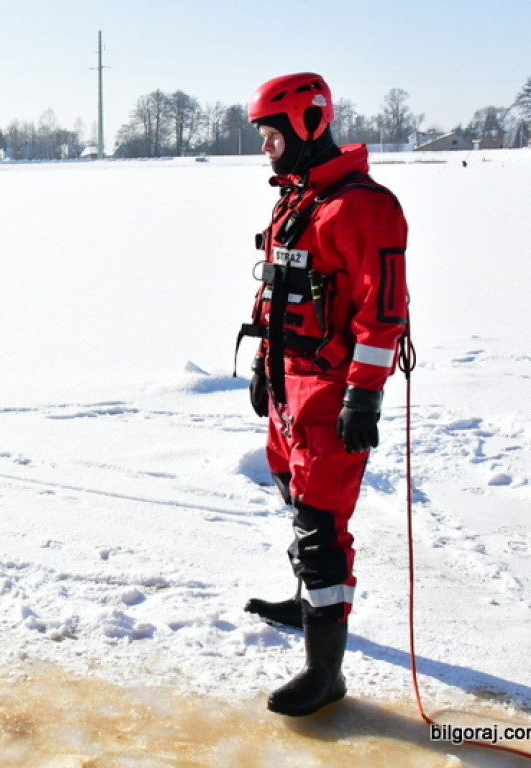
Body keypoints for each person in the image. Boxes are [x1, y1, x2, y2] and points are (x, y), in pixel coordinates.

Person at [236, 72, 409, 716]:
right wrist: (263, 362)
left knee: (322, 527)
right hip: (288, 383)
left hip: (330, 394)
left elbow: (382, 311)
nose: (267, 149)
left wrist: (363, 396)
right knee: (295, 499)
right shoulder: (299, 198)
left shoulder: (364, 206)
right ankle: (307, 596)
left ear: (309, 124)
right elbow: (276, 293)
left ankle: (324, 672)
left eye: (273, 135)